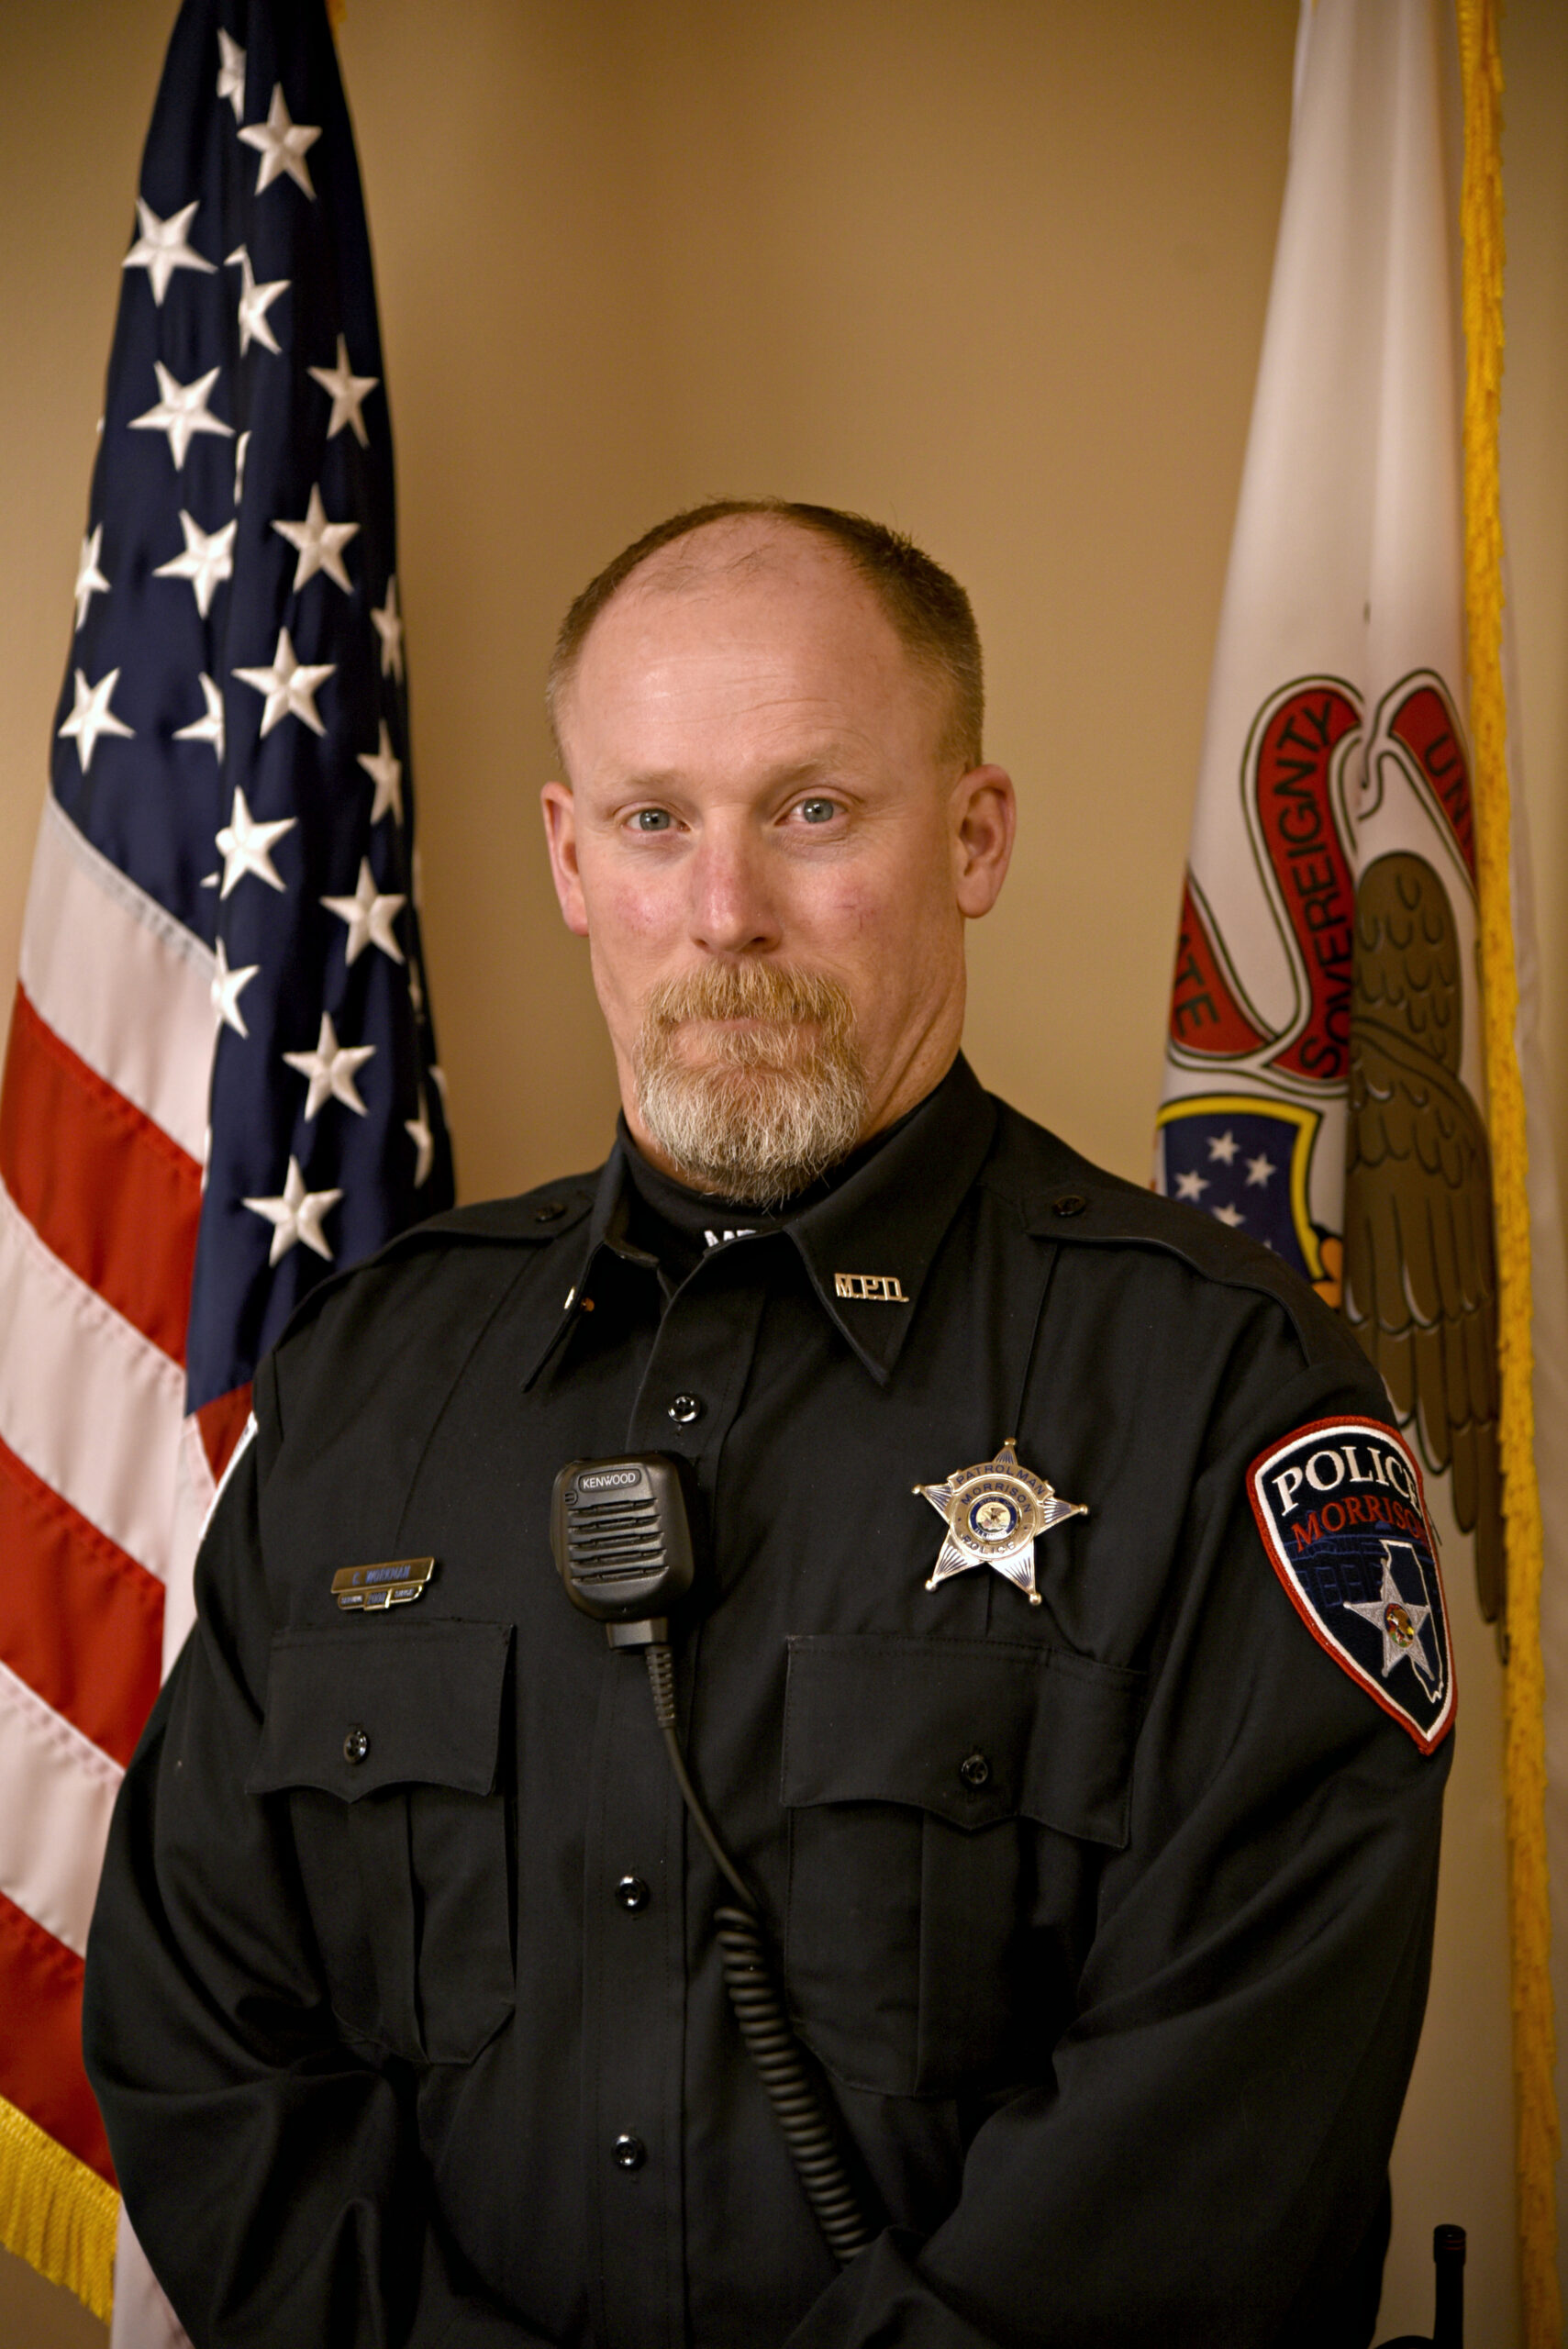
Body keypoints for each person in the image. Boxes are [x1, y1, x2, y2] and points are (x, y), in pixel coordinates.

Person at [84, 500, 1453, 2349]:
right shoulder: (364, 1385)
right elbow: (203, 2027)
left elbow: (1225, 2122)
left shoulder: (1223, 1391)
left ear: (972, 836)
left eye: (813, 809)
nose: (723, 912)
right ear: (571, 856)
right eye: (656, 819)